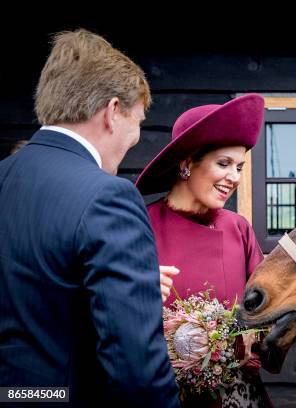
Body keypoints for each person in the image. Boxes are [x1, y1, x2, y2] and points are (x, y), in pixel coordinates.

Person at [0, 30, 180, 407]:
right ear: (113, 111)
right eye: (140, 120)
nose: (136, 135)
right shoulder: (107, 196)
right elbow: (138, 373)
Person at [135, 94, 271, 407]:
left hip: (236, 396)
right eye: (224, 164)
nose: (234, 178)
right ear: (186, 164)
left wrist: (254, 336)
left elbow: (265, 311)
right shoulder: (141, 226)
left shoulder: (238, 228)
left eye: (239, 167)